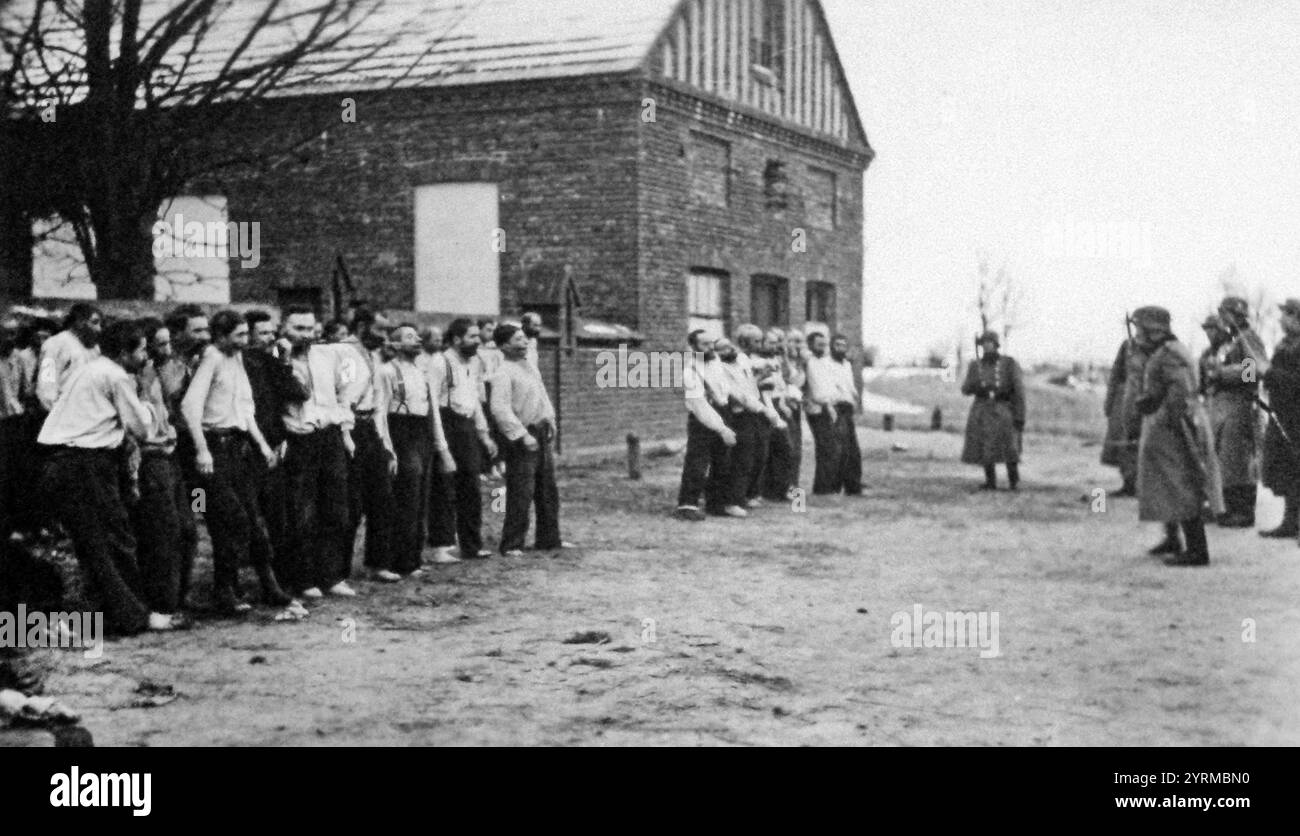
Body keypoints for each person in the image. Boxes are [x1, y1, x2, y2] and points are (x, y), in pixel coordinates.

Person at [36, 320, 174, 634]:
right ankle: (130, 617)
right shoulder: (115, 376)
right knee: (113, 539)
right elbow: (141, 428)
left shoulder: (90, 368)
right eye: (141, 350)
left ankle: (110, 613)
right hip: (86, 464)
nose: (145, 357)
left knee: (95, 542)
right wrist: (152, 410)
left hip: (62, 462)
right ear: (124, 352)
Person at [181, 311, 294, 614]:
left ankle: (266, 586)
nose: (246, 341)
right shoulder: (213, 357)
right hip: (214, 450)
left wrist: (263, 446)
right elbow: (190, 407)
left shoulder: (236, 358)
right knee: (231, 519)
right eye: (239, 335)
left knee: (253, 520)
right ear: (221, 336)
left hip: (239, 448)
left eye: (247, 334)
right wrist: (202, 450)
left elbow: (245, 410)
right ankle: (224, 589)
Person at [1132, 307, 1224, 566]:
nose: (1209, 331)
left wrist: (1231, 376)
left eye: (1214, 327)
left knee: (1184, 481)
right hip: (1197, 411)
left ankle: (1201, 545)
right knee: (1166, 481)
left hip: (1217, 410)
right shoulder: (1179, 352)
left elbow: (1251, 375)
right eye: (1207, 328)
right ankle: (1173, 537)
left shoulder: (1242, 343)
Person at [278, 306, 357, 599]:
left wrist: (346, 431)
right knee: (302, 511)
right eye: (299, 329)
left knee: (336, 507)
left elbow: (343, 392)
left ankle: (332, 576)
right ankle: (303, 578)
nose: (306, 335)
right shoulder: (276, 358)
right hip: (297, 439)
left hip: (330, 436)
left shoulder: (327, 356)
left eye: (310, 329)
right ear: (283, 327)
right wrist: (283, 360)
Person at [130, 317, 199, 617]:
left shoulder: (164, 371)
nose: (167, 349)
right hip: (150, 459)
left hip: (170, 456)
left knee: (187, 530)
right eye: (160, 344)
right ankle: (162, 603)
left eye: (169, 342)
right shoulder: (136, 377)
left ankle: (179, 596)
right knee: (164, 532)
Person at [378, 325, 456, 574]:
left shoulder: (422, 372)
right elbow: (380, 412)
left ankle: (414, 558)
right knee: (406, 497)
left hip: (421, 432)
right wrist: (387, 448)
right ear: (396, 344)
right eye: (410, 337)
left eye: (417, 337)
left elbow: (433, 413)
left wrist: (441, 447)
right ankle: (398, 561)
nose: (417, 340)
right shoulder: (386, 371)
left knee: (422, 496)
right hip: (400, 430)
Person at [489, 323, 572, 555]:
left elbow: (542, 396)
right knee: (521, 490)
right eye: (518, 339)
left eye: (525, 339)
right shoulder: (502, 373)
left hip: (541, 433)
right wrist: (522, 435)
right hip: (522, 438)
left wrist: (551, 420)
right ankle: (512, 543)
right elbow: (500, 410)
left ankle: (549, 539)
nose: (524, 342)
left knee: (547, 490)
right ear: (504, 346)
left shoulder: (530, 368)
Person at [242, 309, 308, 584]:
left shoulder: (270, 361)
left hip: (273, 446)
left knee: (278, 515)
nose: (270, 338)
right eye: (263, 333)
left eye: (272, 332)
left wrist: (284, 360)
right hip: (249, 447)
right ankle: (263, 580)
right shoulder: (245, 363)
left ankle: (282, 578)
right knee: (253, 518)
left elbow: (299, 392)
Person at [427, 319, 498, 559]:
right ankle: (441, 545)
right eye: (471, 337)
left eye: (478, 336)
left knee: (471, 486)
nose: (477, 341)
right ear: (456, 339)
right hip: (446, 424)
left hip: (466, 426)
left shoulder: (474, 362)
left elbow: (475, 399)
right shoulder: (440, 362)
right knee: (445, 487)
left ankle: (471, 544)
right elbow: (433, 405)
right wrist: (441, 445)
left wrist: (484, 433)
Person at [335, 308, 397, 580]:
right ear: (361, 326)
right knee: (351, 503)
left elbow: (380, 405)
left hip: (371, 429)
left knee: (382, 499)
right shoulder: (344, 353)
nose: (384, 337)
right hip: (348, 430)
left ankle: (378, 563)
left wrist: (386, 444)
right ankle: (339, 570)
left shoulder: (373, 355)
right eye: (380, 330)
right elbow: (342, 398)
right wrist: (347, 436)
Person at [1203, 297, 1268, 528]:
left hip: (1240, 404)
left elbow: (1254, 371)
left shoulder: (1248, 338)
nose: (1221, 317)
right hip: (1224, 406)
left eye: (1225, 313)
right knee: (1225, 459)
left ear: (1236, 315)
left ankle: (1243, 513)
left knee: (1238, 459)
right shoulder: (1232, 340)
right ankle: (1226, 508)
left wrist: (1222, 372)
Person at [717, 329, 784, 516]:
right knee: (742, 458)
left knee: (758, 455)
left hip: (752, 413)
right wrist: (764, 409)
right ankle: (732, 500)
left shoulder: (742, 361)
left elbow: (750, 385)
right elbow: (739, 395)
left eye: (729, 347)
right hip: (738, 415)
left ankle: (747, 494)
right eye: (722, 350)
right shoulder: (721, 369)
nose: (728, 351)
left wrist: (762, 376)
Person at [674, 330, 737, 521]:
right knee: (698, 462)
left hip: (722, 411)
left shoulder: (716, 364)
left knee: (723, 461)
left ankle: (716, 504)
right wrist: (722, 428)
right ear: (693, 347)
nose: (710, 348)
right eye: (704, 345)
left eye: (712, 344)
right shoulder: (690, 371)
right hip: (702, 420)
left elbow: (726, 391)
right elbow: (699, 406)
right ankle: (687, 505)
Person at [960, 330, 1025, 490]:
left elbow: (1019, 391)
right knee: (985, 446)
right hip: (982, 410)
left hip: (1003, 409)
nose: (987, 346)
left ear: (996, 345)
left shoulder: (1009, 363)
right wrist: (976, 386)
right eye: (984, 343)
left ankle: (1013, 481)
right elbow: (965, 389)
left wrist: (1019, 415)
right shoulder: (975, 365)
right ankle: (990, 481)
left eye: (990, 343)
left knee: (1009, 446)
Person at [1259, 298, 1300, 540]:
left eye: (1285, 314)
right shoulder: (1286, 343)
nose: (1281, 320)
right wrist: (1252, 374)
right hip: (1281, 412)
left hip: (1295, 415)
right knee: (1285, 467)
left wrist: (1267, 372)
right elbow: (1251, 375)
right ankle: (1290, 521)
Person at [1101, 326, 1156, 498]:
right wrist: (1110, 402)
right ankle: (1130, 483)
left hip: (1149, 399)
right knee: (1126, 441)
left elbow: (1243, 378)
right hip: (1127, 399)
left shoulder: (1163, 348)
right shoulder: (1128, 346)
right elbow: (1116, 374)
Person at [805, 331, 862, 495]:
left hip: (846, 407)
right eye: (837, 345)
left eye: (844, 345)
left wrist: (854, 399)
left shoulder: (847, 365)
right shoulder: (823, 363)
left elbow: (850, 387)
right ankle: (826, 488)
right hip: (831, 406)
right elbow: (826, 389)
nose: (841, 349)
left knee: (850, 449)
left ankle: (852, 486)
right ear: (832, 346)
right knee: (832, 449)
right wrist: (833, 402)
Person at [0, 314, 37, 540]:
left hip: (15, 422)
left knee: (16, 473)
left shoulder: (18, 359)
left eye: (14, 334)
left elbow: (25, 390)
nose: (10, 338)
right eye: (6, 333)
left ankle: (16, 524)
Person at [36, 302, 101, 411]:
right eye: (94, 323)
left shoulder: (94, 348)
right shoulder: (54, 344)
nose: (98, 329)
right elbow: (46, 387)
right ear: (80, 322)